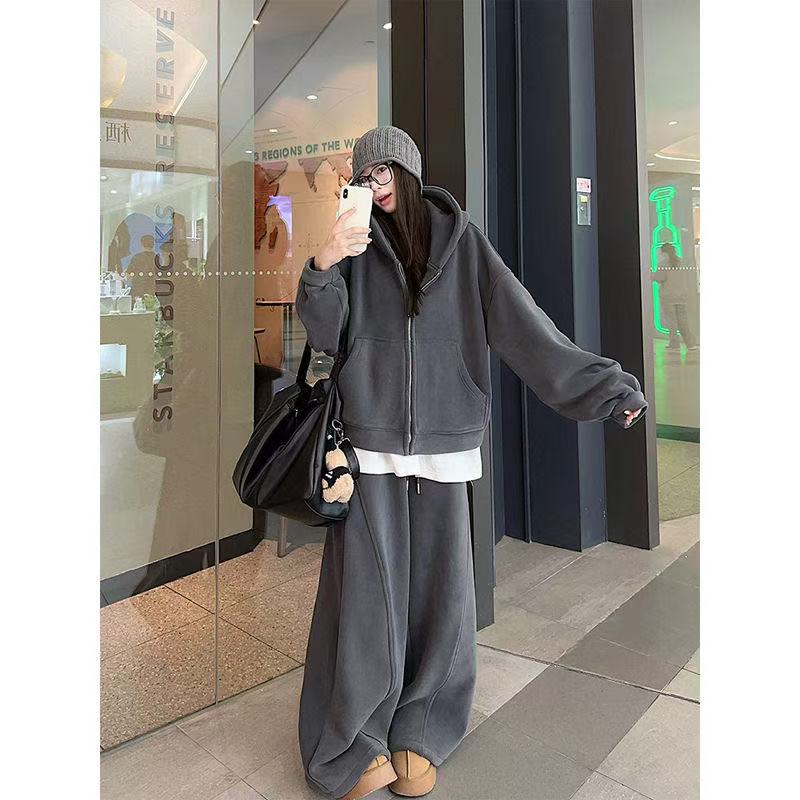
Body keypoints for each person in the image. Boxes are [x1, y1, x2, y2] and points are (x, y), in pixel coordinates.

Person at [294, 125, 647, 800]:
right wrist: (325, 260)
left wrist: (606, 390)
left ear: (408, 172)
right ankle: (353, 739)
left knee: (444, 599)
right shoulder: (354, 248)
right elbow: (325, 335)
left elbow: (526, 327)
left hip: (446, 445)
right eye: (365, 176)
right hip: (368, 446)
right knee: (365, 603)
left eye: (385, 172)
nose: (375, 185)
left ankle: (422, 728)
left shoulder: (463, 246)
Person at [653, 242, 698, 351]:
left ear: (664, 252)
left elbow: (659, 278)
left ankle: (674, 343)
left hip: (668, 296)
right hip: (681, 296)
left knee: (671, 321)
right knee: (683, 321)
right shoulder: (682, 262)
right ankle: (690, 344)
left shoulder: (663, 264)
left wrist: (652, 275)